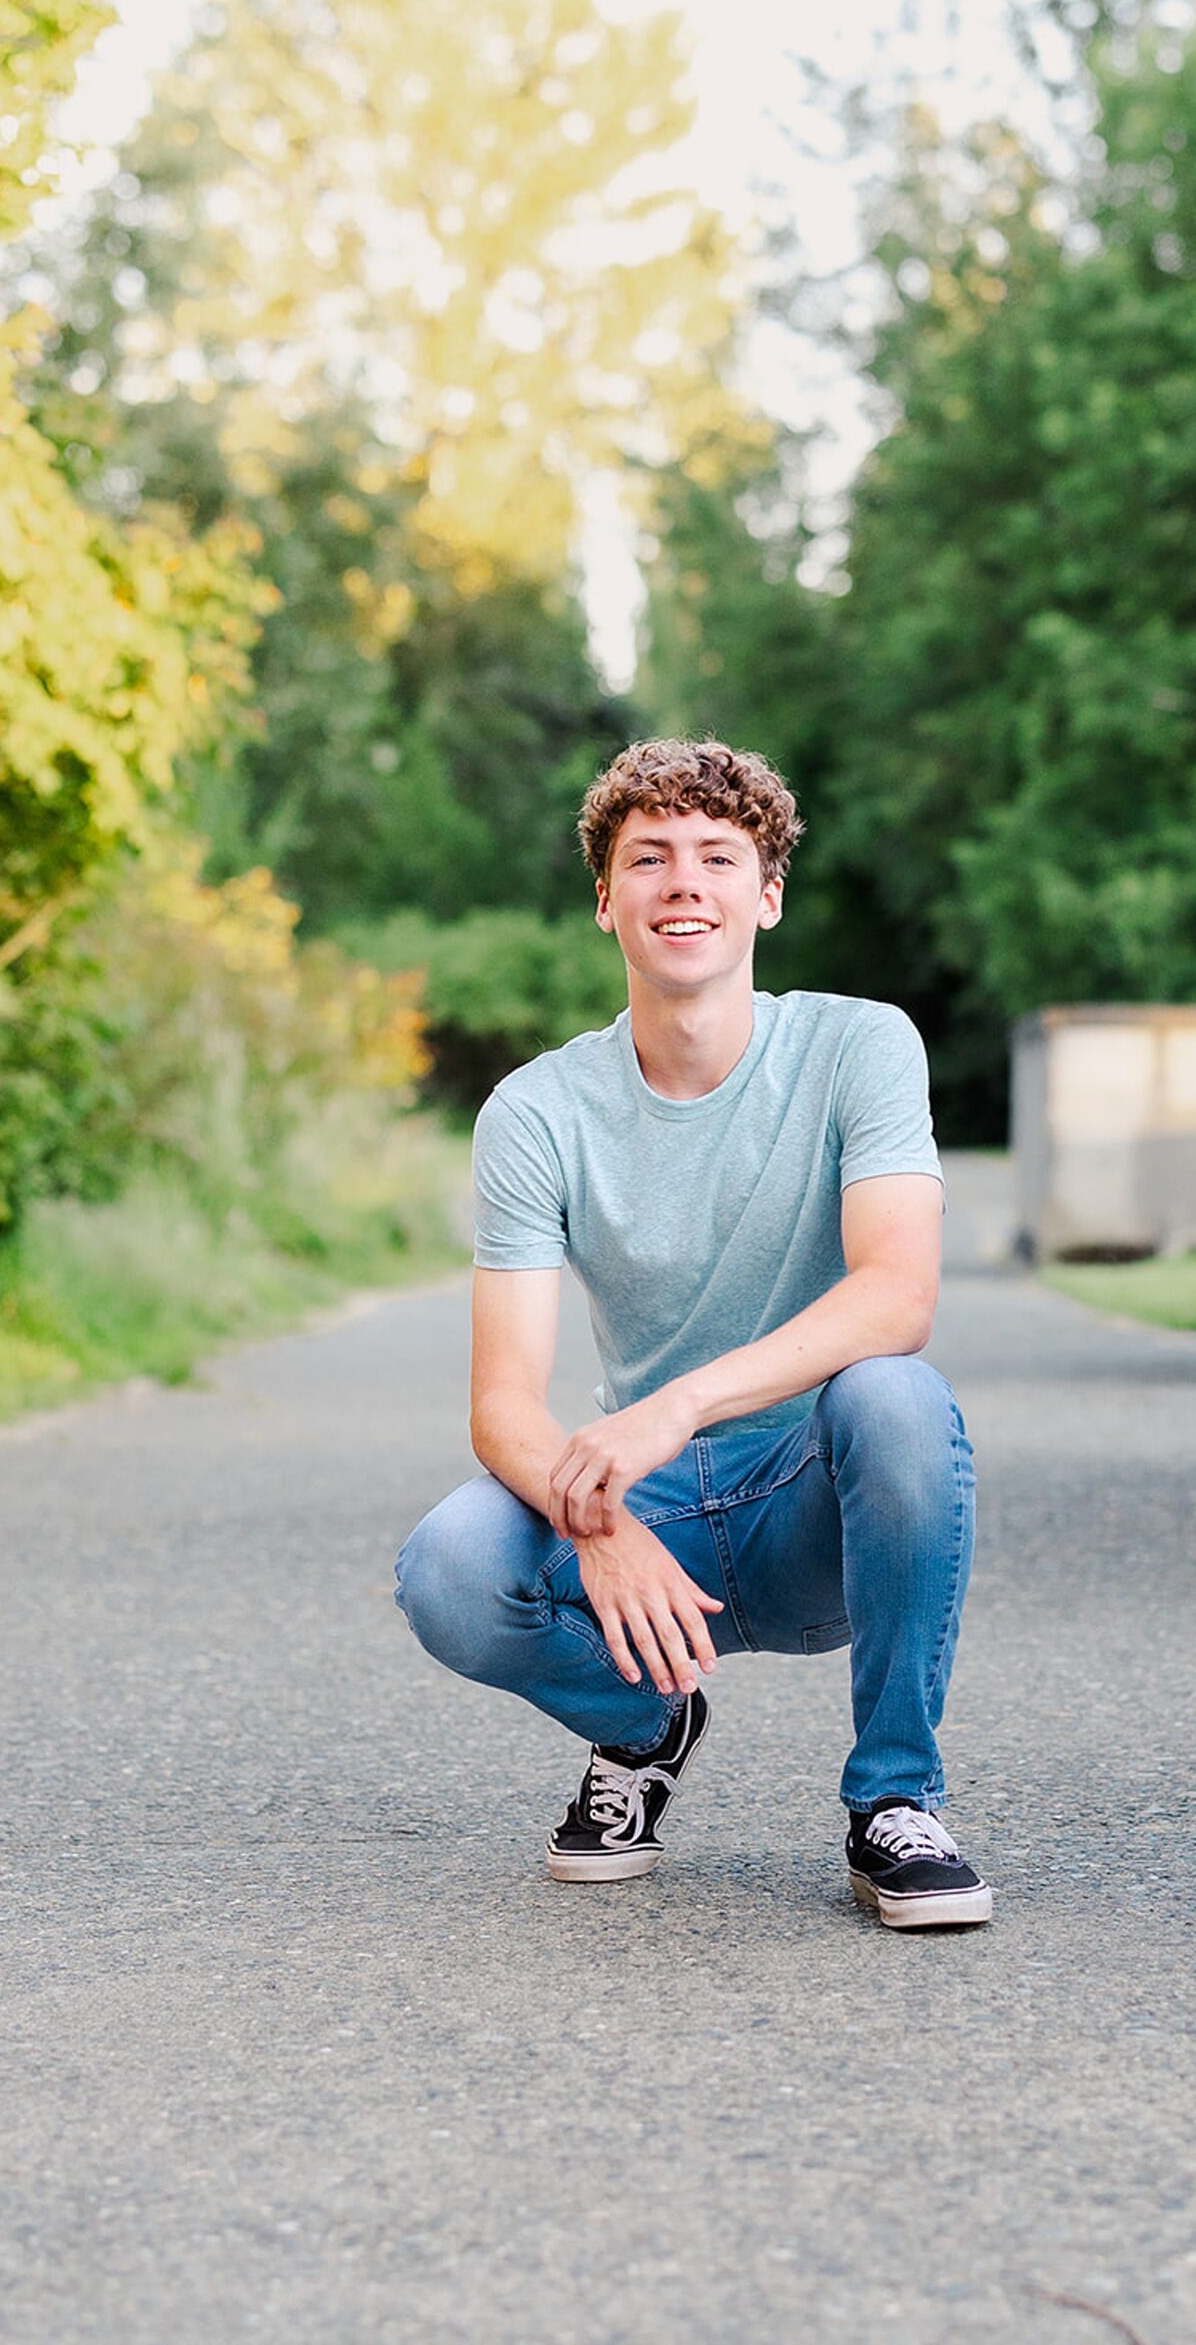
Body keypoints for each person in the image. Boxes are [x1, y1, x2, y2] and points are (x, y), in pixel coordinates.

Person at [394, 738, 990, 1928]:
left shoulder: (859, 1045)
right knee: (449, 1567)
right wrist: (598, 1516)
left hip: (811, 1502)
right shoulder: (535, 1111)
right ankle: (646, 1727)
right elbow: (503, 1405)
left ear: (765, 895)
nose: (684, 882)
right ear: (604, 898)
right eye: (649, 857)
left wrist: (668, 1408)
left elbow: (896, 1295)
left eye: (719, 856)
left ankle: (894, 1803)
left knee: (898, 1397)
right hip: (654, 1517)